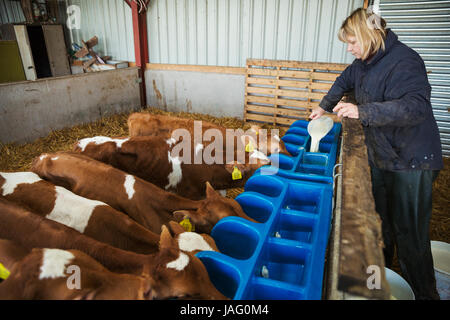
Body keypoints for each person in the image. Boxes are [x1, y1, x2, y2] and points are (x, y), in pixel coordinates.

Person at [310, 8, 443, 300]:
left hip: (412, 159)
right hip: (382, 154)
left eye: (352, 42)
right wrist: (324, 106)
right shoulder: (363, 63)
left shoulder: (405, 61)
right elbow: (343, 82)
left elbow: (415, 107)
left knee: (410, 232)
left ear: (371, 35)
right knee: (379, 220)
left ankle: (423, 291)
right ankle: (381, 282)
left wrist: (362, 111)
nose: (349, 48)